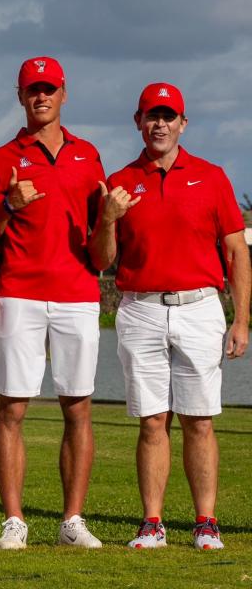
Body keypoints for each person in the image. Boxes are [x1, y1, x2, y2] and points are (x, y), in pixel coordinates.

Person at [89, 82, 250, 550]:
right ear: (137, 122)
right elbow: (102, 260)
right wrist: (108, 217)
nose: (160, 124)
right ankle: (152, 524)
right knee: (152, 420)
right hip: (140, 309)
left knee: (199, 419)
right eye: (151, 116)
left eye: (168, 116)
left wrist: (240, 320)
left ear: (183, 123)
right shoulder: (120, 181)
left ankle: (205, 523)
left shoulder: (212, 176)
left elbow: (237, 251)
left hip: (199, 307)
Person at [0, 56, 104, 549]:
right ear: (21, 96)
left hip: (78, 294)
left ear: (63, 93)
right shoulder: (2, 158)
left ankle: (72, 520)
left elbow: (99, 239)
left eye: (49, 89)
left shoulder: (88, 155)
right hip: (21, 293)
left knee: (79, 408)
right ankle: (14, 521)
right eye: (33, 90)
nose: (41, 97)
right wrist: (9, 204)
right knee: (12, 408)